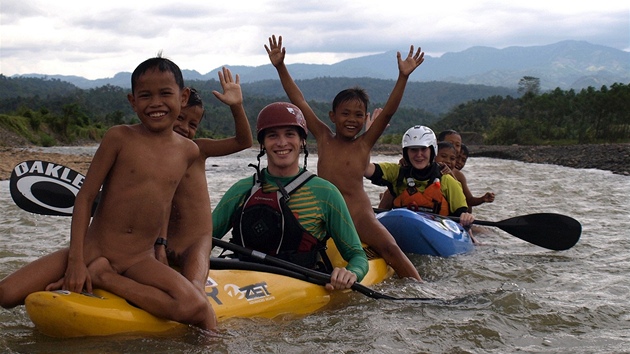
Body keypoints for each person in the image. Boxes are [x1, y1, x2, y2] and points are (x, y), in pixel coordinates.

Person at [0, 56, 217, 331]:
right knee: (6, 294)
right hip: (94, 249)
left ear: (183, 97)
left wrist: (160, 246)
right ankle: (93, 269)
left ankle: (104, 278)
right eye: (145, 95)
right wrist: (76, 263)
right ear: (132, 101)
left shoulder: (189, 152)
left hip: (139, 259)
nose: (156, 103)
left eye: (165, 93)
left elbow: (163, 203)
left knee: (194, 306)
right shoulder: (119, 137)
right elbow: (85, 198)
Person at [266, 34, 424, 281]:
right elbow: (299, 101)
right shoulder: (323, 137)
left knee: (391, 248)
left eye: (359, 115)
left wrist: (403, 76)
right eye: (346, 113)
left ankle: (421, 289)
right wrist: (280, 66)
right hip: (325, 217)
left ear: (365, 118)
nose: (352, 120)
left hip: (359, 216)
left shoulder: (365, 143)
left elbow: (389, 110)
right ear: (332, 115)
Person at [212, 102, 368, 290]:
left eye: (290, 134)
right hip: (239, 281)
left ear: (302, 141)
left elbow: (357, 256)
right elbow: (203, 241)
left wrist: (351, 273)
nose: (282, 142)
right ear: (262, 143)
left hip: (297, 286)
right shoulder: (241, 189)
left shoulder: (326, 193)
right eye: (272, 136)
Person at [158, 67, 252, 296]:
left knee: (194, 293)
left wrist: (236, 106)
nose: (184, 128)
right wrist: (159, 246)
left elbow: (244, 141)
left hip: (195, 246)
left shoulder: (198, 150)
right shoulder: (152, 156)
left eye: (193, 125)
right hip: (161, 244)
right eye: (180, 118)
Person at [365, 125, 475, 227]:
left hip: (437, 231)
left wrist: (466, 217)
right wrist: (368, 137)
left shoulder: (447, 181)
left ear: (432, 150)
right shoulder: (396, 172)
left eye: (423, 149)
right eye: (413, 149)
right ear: (406, 152)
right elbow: (364, 168)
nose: (419, 155)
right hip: (402, 228)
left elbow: (462, 214)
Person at [438, 130, 495, 211]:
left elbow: (468, 200)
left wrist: (482, 199)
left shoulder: (458, 175)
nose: (453, 147)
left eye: (457, 145)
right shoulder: (424, 165)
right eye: (450, 143)